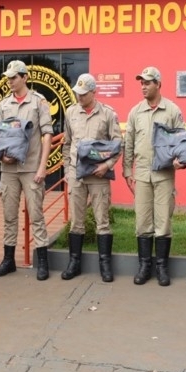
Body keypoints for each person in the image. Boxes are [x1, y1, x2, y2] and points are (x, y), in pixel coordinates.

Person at [123, 66, 186, 286]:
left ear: (158, 84)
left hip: (164, 174)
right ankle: (144, 266)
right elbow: (128, 143)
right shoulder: (135, 112)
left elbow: (183, 139)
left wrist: (181, 160)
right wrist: (127, 170)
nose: (143, 86)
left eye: (148, 82)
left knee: (163, 221)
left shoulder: (172, 110)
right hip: (141, 175)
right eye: (141, 82)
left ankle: (161, 267)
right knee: (142, 222)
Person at [0, 60, 54, 281]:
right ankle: (8, 260)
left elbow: (47, 134)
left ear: (24, 77)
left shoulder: (38, 102)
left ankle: (42, 261)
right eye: (8, 78)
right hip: (8, 169)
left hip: (30, 169)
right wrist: (2, 154)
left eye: (14, 77)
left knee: (36, 215)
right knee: (9, 216)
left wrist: (42, 166)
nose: (10, 81)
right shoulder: (4, 104)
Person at [60, 73, 122, 282]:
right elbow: (67, 143)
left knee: (102, 221)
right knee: (76, 221)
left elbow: (117, 145)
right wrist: (68, 169)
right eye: (78, 93)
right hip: (77, 175)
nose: (80, 97)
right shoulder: (71, 113)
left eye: (84, 94)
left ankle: (105, 264)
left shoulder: (107, 114)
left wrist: (107, 165)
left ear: (94, 92)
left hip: (98, 175)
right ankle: (74, 262)